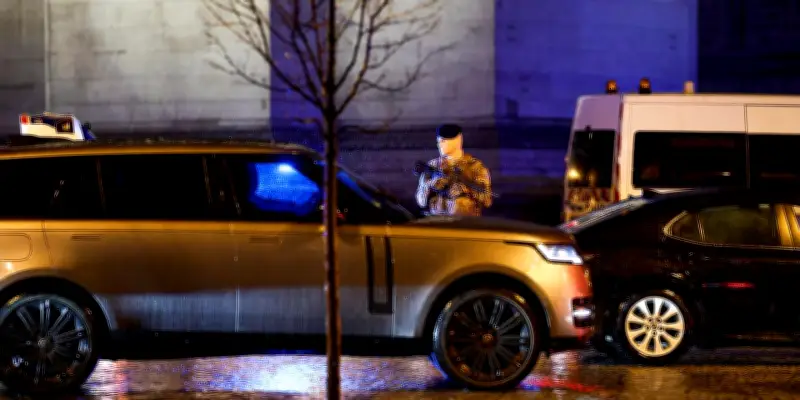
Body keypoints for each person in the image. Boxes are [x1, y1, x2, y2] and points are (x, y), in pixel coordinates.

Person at [415, 124, 493, 216]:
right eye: (438, 141)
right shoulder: (432, 166)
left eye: (443, 141)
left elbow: (487, 200)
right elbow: (420, 201)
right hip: (437, 223)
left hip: (465, 224)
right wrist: (429, 186)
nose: (439, 145)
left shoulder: (475, 167)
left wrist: (465, 190)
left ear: (457, 141)